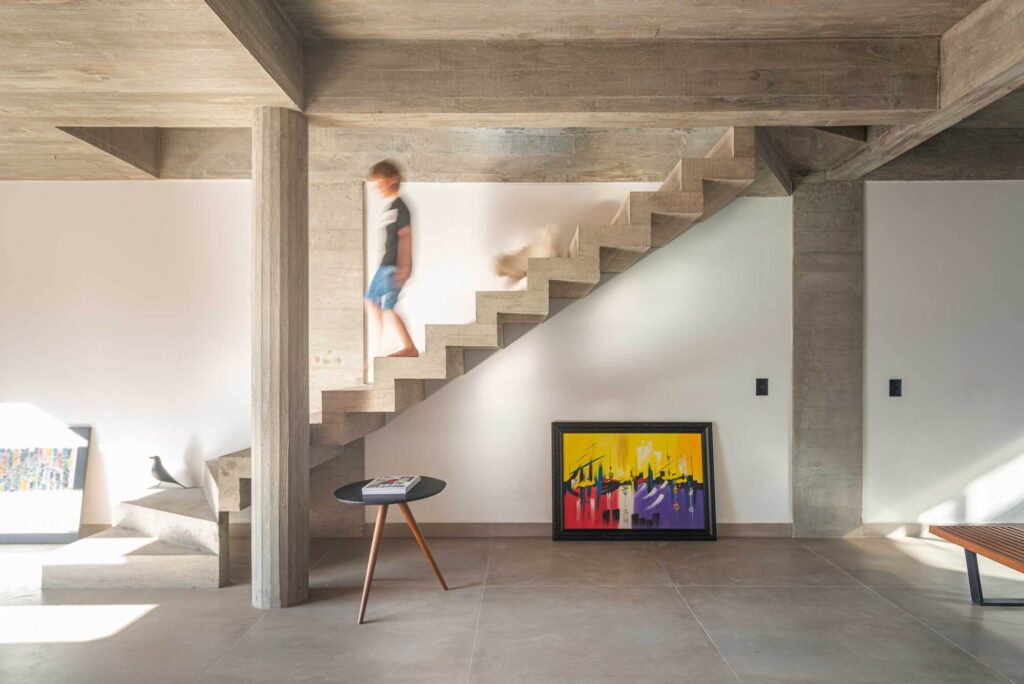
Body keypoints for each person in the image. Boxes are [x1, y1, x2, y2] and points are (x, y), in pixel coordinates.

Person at [365, 160, 418, 359]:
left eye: (380, 183)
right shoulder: (391, 207)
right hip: (385, 265)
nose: (378, 188)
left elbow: (405, 236)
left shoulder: (401, 207)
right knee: (371, 300)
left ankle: (409, 347)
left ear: (393, 179)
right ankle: (379, 345)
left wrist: (404, 266)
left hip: (394, 267)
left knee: (388, 306)